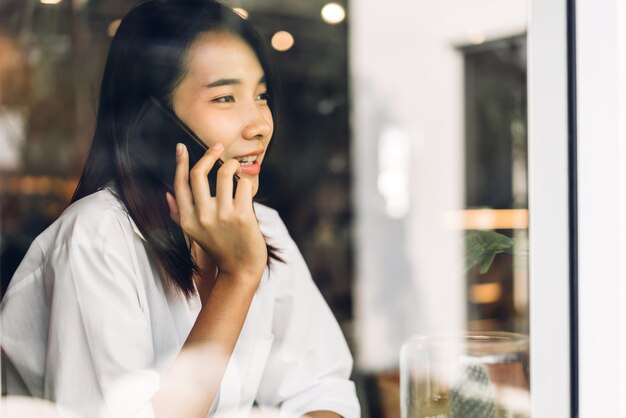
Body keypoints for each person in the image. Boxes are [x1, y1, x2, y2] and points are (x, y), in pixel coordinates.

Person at [0, 1, 360, 417]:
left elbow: (322, 389)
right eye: (226, 97)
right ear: (152, 118)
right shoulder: (97, 240)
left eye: (260, 95)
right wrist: (238, 277)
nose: (260, 123)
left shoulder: (263, 227)